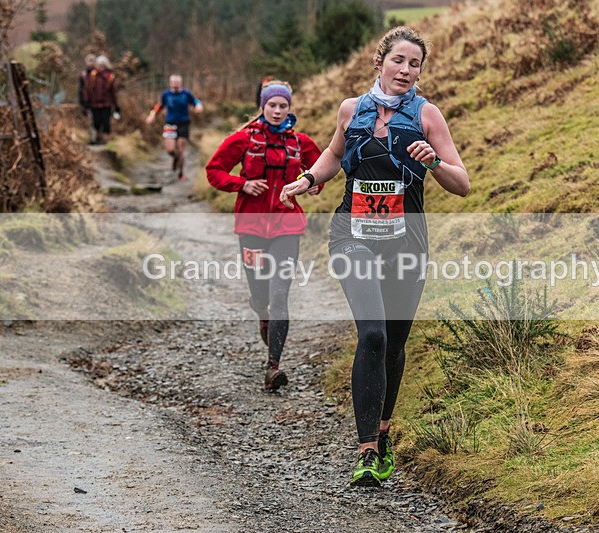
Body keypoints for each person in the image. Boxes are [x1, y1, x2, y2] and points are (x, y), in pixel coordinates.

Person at [280, 27, 469, 487]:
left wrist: (432, 162)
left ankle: (383, 434)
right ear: (379, 61)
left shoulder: (428, 115)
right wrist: (307, 178)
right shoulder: (352, 110)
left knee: (396, 344)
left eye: (415, 64)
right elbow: (333, 154)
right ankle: (366, 450)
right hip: (353, 235)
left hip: (407, 242)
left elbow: (461, 183)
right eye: (399, 60)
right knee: (373, 337)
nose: (406, 70)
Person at [206, 81, 323, 391]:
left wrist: (312, 185)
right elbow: (213, 170)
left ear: (289, 108)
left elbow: (322, 171)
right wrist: (241, 184)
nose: (277, 110)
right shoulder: (243, 139)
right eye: (272, 105)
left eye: (283, 106)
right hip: (251, 228)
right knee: (261, 296)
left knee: (280, 294)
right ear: (263, 106)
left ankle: (274, 367)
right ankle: (261, 314)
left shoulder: (300, 142)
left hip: (288, 226)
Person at [145, 74, 204, 180]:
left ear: (180, 83)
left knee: (181, 149)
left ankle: (181, 173)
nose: (175, 85)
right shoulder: (166, 94)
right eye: (173, 83)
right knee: (170, 149)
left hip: (184, 123)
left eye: (177, 83)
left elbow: (195, 101)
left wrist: (198, 106)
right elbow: (158, 106)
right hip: (170, 124)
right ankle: (175, 158)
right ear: (170, 83)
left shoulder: (186, 94)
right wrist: (152, 115)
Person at [84, 55, 119, 145]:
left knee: (105, 122)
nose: (101, 67)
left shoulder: (110, 77)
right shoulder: (92, 75)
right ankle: (97, 138)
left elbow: (113, 92)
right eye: (99, 65)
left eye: (103, 65)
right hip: (94, 103)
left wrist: (115, 105)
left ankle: (104, 139)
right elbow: (87, 89)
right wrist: (86, 101)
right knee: (96, 122)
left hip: (106, 103)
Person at [78, 54, 96, 141]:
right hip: (86, 101)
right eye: (89, 61)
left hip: (97, 102)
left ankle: (94, 138)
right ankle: (90, 138)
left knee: (95, 121)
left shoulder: (98, 75)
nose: (90, 63)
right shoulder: (83, 75)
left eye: (92, 61)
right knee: (89, 120)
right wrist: (81, 101)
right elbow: (81, 89)